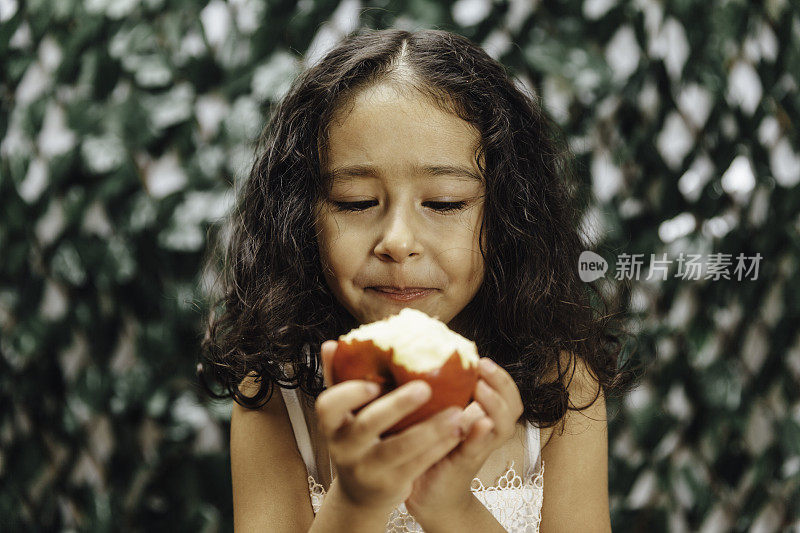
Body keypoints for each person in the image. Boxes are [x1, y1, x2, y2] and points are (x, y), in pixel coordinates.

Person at [198, 27, 634, 532]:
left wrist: (450, 506)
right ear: (303, 219)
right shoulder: (278, 396)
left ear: (508, 216)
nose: (398, 240)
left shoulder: (560, 388)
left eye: (444, 203)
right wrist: (358, 500)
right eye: (356, 202)